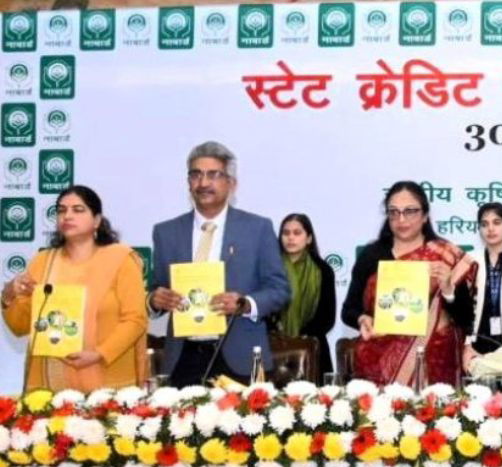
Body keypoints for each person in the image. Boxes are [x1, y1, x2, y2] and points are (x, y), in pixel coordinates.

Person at [149, 141, 290, 387]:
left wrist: (245, 303)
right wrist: (154, 300)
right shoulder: (166, 232)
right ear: (188, 182)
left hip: (240, 356)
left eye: (213, 175)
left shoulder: (257, 228)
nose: (203, 183)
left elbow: (279, 290)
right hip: (183, 357)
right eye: (196, 174)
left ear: (231, 183)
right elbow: (156, 290)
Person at [2, 185, 147, 391]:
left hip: (107, 380)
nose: (67, 215)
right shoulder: (43, 261)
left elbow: (135, 319)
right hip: (50, 386)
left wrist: (100, 354)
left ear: (96, 220)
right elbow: (20, 327)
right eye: (61, 210)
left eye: (78, 210)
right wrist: (9, 298)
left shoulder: (121, 259)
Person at [342, 181, 476, 386]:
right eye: (393, 212)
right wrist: (362, 319)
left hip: (435, 365)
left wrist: (448, 288)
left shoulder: (445, 255)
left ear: (425, 215)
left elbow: (466, 318)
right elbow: (349, 309)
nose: (401, 219)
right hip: (378, 365)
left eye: (410, 211)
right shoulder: (372, 256)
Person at [463, 202, 502, 382]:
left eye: (497, 222)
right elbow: (463, 308)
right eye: (484, 224)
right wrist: (467, 344)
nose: (490, 229)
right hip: (478, 344)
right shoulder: (470, 260)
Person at [272, 213, 336, 378]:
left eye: (297, 233)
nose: (290, 238)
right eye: (286, 233)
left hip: (312, 349)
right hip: (273, 350)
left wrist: (300, 338)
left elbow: (327, 318)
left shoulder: (322, 270)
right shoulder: (270, 268)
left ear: (308, 238)